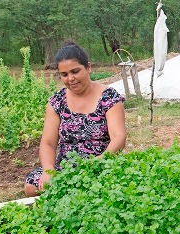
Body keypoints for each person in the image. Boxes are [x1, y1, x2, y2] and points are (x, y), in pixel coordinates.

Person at [24, 40, 126, 196]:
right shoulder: (57, 102)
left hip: (101, 164)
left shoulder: (109, 97)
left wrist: (100, 161)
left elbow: (119, 137)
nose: (70, 78)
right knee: (32, 186)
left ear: (88, 67)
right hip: (66, 166)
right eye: (64, 74)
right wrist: (49, 170)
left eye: (75, 71)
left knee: (99, 190)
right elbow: (48, 143)